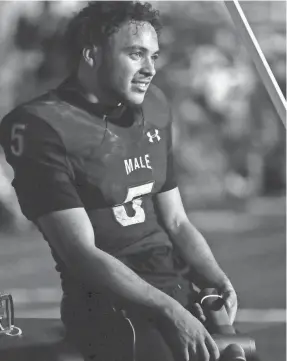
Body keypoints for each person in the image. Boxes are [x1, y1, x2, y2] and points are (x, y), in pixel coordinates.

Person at [0, 2, 237, 360]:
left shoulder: (155, 106)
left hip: (176, 289)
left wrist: (216, 278)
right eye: (136, 54)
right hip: (107, 304)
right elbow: (81, 254)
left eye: (154, 56)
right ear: (91, 54)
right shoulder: (40, 125)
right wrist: (172, 313)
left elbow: (176, 220)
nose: (150, 69)